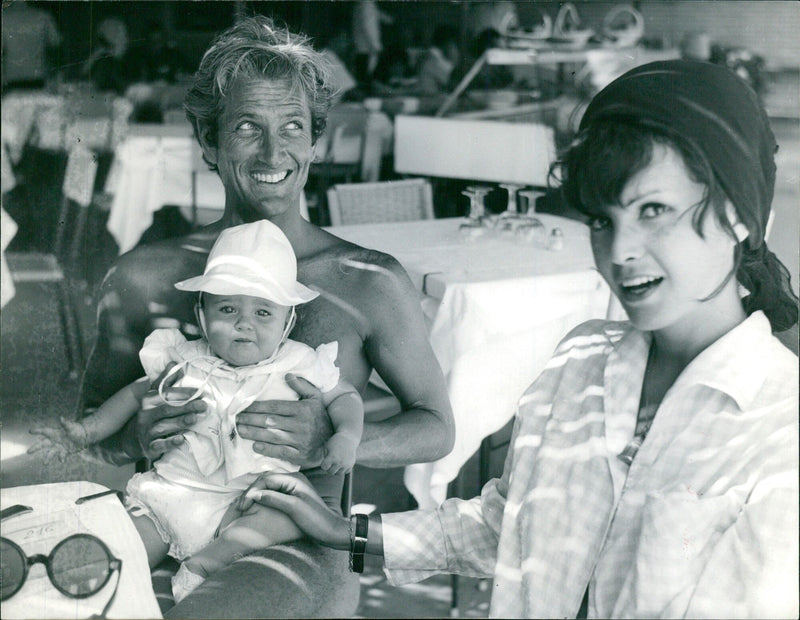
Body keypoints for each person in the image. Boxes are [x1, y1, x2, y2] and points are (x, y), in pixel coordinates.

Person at [243, 60, 800, 618]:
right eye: (603, 220)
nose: (621, 250)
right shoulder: (583, 359)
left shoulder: (780, 425)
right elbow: (508, 526)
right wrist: (349, 533)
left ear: (738, 214)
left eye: (654, 210)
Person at [77, 15, 453, 618]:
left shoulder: (368, 281)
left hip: (294, 533)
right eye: (248, 127)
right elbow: (92, 432)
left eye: (293, 128)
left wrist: (338, 440)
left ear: (315, 141)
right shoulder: (142, 275)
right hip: (161, 515)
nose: (274, 153)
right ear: (208, 140)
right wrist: (131, 434)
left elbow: (437, 426)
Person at [30, 220, 364, 602]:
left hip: (249, 502)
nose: (244, 323)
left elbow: (346, 398)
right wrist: (86, 431)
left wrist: (346, 437)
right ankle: (107, 577)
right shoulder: (184, 359)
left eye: (263, 313)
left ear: (288, 321)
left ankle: (203, 566)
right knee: (122, 548)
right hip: (172, 494)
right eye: (227, 308)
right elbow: (133, 395)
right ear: (202, 314)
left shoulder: (298, 363)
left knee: (283, 517)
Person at [2, 0, 61, 91]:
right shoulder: (43, 16)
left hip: (10, 81)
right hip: (39, 79)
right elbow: (56, 45)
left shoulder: (3, 18)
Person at [415, 25, 460, 96]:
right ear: (447, 43)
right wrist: (454, 58)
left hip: (431, 98)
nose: (455, 49)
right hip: (430, 100)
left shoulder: (432, 56)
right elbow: (455, 85)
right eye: (454, 44)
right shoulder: (434, 60)